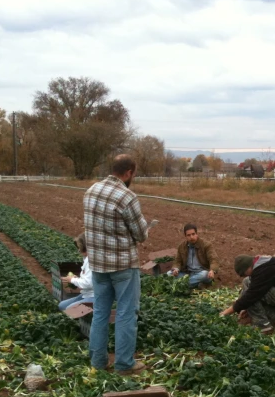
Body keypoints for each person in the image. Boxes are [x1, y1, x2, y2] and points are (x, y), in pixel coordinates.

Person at [83, 154, 156, 375]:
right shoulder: (127, 197)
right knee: (126, 313)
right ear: (129, 173)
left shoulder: (91, 191)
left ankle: (98, 361)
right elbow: (141, 234)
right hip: (122, 266)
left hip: (98, 265)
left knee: (100, 313)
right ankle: (124, 364)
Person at [220, 254, 275, 334]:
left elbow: (251, 296)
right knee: (248, 282)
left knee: (252, 294)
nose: (244, 275)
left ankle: (263, 325)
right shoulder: (262, 264)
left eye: (243, 273)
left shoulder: (264, 270)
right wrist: (246, 308)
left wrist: (226, 312)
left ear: (248, 268)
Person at [169, 223, 220, 289]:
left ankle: (182, 286)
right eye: (188, 235)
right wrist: (176, 269)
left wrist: (212, 270)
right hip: (188, 274)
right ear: (185, 236)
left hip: (202, 272)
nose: (191, 237)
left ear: (196, 234)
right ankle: (193, 284)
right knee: (169, 273)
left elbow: (214, 259)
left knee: (204, 274)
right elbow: (177, 261)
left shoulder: (206, 245)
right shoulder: (181, 247)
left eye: (193, 234)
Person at [59, 233, 95, 311]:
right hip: (86, 294)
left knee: (70, 310)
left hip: (94, 296)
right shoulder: (87, 259)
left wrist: (71, 280)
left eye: (80, 248)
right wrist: (76, 279)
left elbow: (88, 283)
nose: (79, 250)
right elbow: (89, 279)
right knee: (62, 306)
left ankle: (82, 319)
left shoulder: (91, 261)